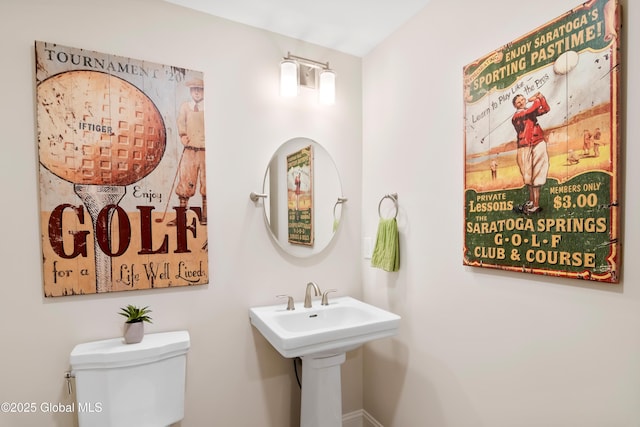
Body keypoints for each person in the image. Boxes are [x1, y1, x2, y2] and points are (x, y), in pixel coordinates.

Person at [168, 78, 207, 226]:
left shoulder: (208, 108)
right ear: (190, 91)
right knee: (186, 180)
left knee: (207, 182)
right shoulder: (186, 106)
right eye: (194, 89)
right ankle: (181, 216)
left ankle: (206, 216)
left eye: (200, 89)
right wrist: (183, 135)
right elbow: (180, 122)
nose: (197, 92)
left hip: (205, 151)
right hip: (190, 150)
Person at [511, 92, 550, 215]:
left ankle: (536, 204)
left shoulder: (530, 111)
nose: (522, 102)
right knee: (528, 176)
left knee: (537, 173)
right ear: (515, 106)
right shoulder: (517, 115)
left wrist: (542, 98)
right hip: (524, 147)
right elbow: (533, 108)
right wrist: (536, 99)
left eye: (523, 99)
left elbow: (545, 109)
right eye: (519, 102)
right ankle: (532, 201)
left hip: (538, 142)